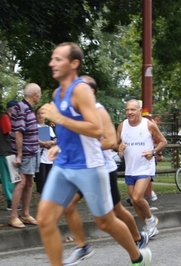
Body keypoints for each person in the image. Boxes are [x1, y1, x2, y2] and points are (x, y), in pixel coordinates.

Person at [37, 42, 151, 266]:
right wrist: (59, 146)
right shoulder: (57, 93)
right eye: (53, 58)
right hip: (64, 166)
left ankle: (138, 256)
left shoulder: (81, 90)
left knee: (106, 222)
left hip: (89, 167)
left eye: (58, 59)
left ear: (74, 63)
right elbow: (70, 131)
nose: (52, 63)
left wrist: (58, 118)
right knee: (44, 219)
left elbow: (96, 130)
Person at [62, 75, 150, 265]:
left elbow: (111, 142)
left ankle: (137, 239)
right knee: (68, 204)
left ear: (90, 92)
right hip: (82, 168)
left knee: (114, 212)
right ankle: (82, 246)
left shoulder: (98, 111)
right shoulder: (75, 110)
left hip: (101, 169)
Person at [117, 99, 167, 238]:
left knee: (137, 197)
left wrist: (154, 152)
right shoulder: (122, 126)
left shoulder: (148, 125)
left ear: (139, 110)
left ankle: (151, 220)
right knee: (133, 201)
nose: (129, 112)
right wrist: (118, 148)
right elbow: (115, 144)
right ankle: (150, 226)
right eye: (127, 110)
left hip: (145, 167)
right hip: (130, 168)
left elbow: (163, 141)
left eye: (133, 109)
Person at [7, 83, 41, 229]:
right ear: (34, 95)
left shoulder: (29, 109)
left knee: (29, 182)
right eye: (39, 94)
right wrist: (19, 155)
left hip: (32, 151)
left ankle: (25, 214)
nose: (40, 97)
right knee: (21, 183)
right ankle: (14, 216)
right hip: (25, 152)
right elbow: (18, 132)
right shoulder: (21, 108)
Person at [0, 100, 22, 210]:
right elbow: (10, 132)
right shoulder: (5, 118)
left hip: (7, 151)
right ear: (13, 109)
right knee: (8, 177)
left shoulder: (8, 118)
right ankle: (10, 202)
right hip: (4, 151)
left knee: (13, 177)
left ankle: (13, 201)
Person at [35, 106, 57, 195]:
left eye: (42, 113)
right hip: (40, 157)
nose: (40, 116)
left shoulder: (49, 128)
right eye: (38, 113)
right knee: (41, 181)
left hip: (49, 157)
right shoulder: (34, 127)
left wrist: (51, 142)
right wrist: (44, 144)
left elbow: (55, 139)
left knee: (49, 181)